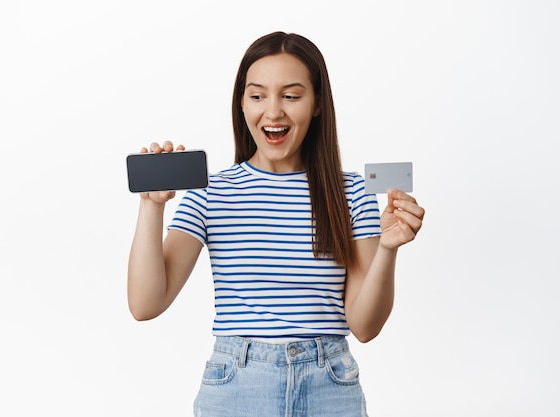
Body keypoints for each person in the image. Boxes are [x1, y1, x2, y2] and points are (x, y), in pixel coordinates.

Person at [127, 31, 425, 417]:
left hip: (330, 388)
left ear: (317, 103)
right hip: (237, 387)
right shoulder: (211, 192)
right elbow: (145, 304)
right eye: (257, 95)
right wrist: (152, 207)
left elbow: (365, 327)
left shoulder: (351, 192)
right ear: (241, 104)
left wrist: (387, 248)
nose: (273, 112)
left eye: (291, 95)